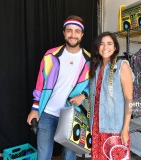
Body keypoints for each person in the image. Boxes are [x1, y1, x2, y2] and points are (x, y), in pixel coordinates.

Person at [27, 15, 90, 160]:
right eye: (69, 30)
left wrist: (83, 96)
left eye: (77, 31)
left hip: (73, 115)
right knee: (43, 155)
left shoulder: (88, 60)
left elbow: (91, 85)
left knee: (69, 155)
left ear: (82, 34)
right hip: (48, 113)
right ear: (64, 32)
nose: (73, 35)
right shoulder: (50, 55)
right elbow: (40, 84)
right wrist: (34, 109)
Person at [89, 31, 133, 159]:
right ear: (98, 48)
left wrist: (125, 128)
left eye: (109, 43)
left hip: (115, 127)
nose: (105, 47)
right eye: (102, 44)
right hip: (97, 125)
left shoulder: (122, 66)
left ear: (115, 48)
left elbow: (129, 99)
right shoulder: (95, 68)